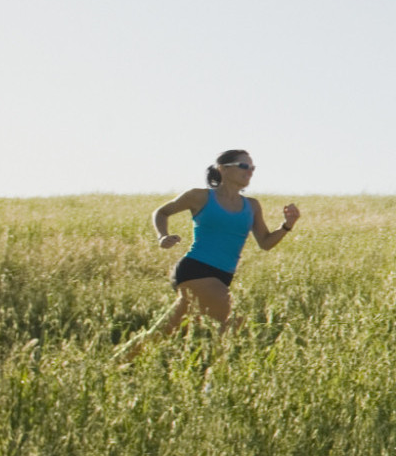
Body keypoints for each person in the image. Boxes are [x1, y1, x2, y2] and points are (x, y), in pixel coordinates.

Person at [117, 149, 300, 364]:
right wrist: (162, 236)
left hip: (222, 276)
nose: (249, 171)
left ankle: (115, 364)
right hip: (196, 269)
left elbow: (266, 243)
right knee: (234, 322)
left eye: (252, 168)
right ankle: (213, 379)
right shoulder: (200, 196)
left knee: (163, 332)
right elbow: (162, 212)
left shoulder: (252, 205)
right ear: (223, 168)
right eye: (244, 166)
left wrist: (287, 225)